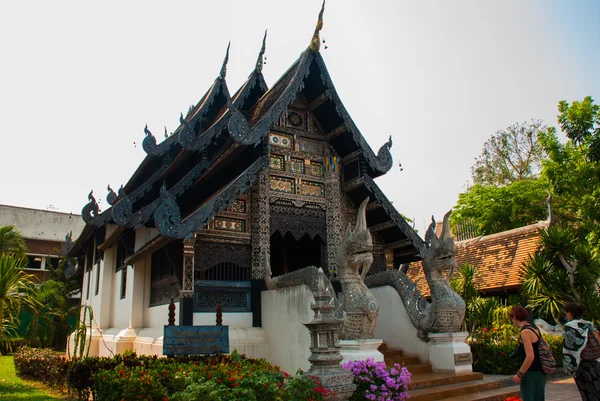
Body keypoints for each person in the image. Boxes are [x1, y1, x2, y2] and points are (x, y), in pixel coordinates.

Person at [562, 302, 600, 400]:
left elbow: (569, 349)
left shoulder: (569, 327)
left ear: (570, 313)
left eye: (566, 313)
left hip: (581, 365)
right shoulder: (588, 324)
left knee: (587, 393)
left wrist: (569, 366)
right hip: (595, 361)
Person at [510, 305, 546, 401]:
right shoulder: (534, 329)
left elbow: (530, 356)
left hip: (531, 372)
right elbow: (546, 345)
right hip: (540, 370)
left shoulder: (525, 332)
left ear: (514, 318)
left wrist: (519, 374)